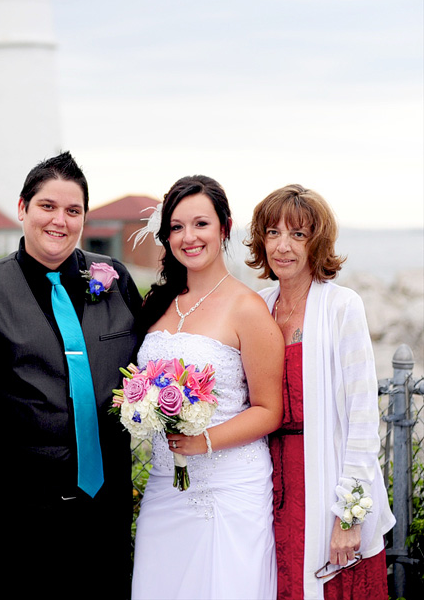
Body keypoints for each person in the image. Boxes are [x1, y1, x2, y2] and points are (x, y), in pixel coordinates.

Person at [0, 151, 142, 599]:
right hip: (16, 511)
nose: (60, 221)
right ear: (23, 209)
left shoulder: (114, 277)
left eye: (73, 210)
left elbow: (148, 360)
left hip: (106, 506)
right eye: (47, 207)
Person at [130, 175, 284, 600]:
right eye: (177, 227)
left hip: (230, 488)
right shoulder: (157, 304)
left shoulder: (247, 308)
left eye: (201, 224)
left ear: (224, 227)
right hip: (165, 485)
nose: (188, 237)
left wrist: (205, 441)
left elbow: (270, 409)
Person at [246, 185, 395, 600]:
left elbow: (364, 418)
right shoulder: (257, 307)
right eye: (273, 233)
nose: (283, 246)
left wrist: (348, 515)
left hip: (326, 476)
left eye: (298, 234)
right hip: (268, 484)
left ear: (318, 242)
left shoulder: (342, 306)